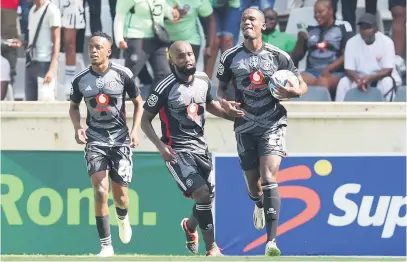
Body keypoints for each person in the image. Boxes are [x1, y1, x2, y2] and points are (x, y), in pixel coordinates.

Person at [216, 7, 307, 256]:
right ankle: (258, 203)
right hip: (244, 125)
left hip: (272, 122)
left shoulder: (279, 56)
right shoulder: (230, 57)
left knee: (269, 177)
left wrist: (294, 92)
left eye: (252, 19)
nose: (247, 22)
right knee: (254, 185)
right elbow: (221, 89)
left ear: (263, 25)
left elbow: (301, 84)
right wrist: (224, 103)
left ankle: (271, 241)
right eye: (244, 18)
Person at [141, 41, 232, 257]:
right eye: (181, 56)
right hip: (177, 151)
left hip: (201, 148)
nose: (188, 58)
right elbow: (145, 120)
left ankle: (189, 226)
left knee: (206, 198)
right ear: (172, 61)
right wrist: (160, 145)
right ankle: (212, 249)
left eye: (190, 54)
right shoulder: (163, 87)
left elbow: (208, 104)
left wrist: (231, 116)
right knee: (201, 194)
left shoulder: (202, 79)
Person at [69, 31, 143, 257]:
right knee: (100, 191)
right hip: (95, 139)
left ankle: (122, 218)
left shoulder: (123, 74)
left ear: (109, 51)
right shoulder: (81, 79)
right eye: (90, 47)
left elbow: (138, 103)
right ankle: (106, 246)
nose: (93, 51)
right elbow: (73, 107)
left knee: (120, 196)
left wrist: (135, 129)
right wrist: (77, 127)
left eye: (98, 47)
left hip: (120, 140)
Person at [291, 0, 352, 99]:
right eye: (315, 12)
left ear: (331, 11)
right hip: (312, 71)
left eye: (320, 12)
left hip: (334, 72)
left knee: (321, 83)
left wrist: (330, 68)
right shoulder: (310, 30)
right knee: (294, 82)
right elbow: (297, 56)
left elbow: (347, 54)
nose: (317, 15)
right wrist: (300, 41)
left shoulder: (342, 28)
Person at [335, 13, 402, 102]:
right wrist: (359, 80)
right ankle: (339, 113)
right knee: (343, 82)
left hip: (380, 78)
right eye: (362, 28)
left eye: (368, 28)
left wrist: (370, 78)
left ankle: (388, 113)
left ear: (376, 29)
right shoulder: (351, 42)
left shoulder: (387, 42)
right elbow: (348, 69)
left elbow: (387, 70)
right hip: (359, 78)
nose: (364, 31)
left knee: (387, 82)